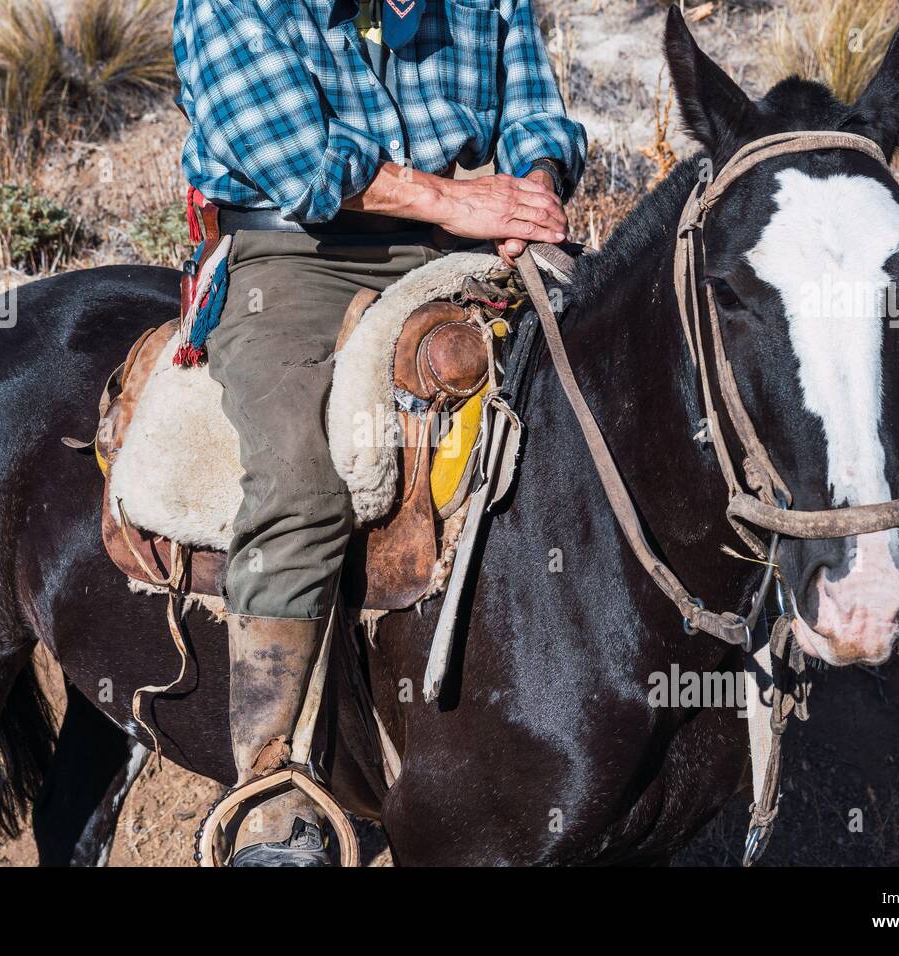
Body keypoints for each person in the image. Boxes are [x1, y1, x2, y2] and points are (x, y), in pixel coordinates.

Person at [172, 0, 585, 865]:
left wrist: (533, 189)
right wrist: (461, 200)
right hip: (293, 253)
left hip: (461, 241)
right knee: (300, 474)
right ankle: (273, 800)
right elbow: (296, 159)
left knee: (596, 403)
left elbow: (535, 109)